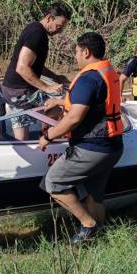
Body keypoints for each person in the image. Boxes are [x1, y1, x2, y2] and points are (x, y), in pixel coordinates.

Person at [39, 32, 124, 243]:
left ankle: (88, 225)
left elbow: (75, 117)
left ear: (86, 52)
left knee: (54, 182)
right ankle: (99, 236)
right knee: (95, 194)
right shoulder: (106, 71)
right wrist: (61, 102)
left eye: (76, 52)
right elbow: (93, 103)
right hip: (112, 145)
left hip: (91, 147)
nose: (75, 57)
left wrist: (48, 136)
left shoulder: (88, 78)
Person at [1, 3, 72, 140]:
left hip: (12, 89)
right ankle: (52, 141)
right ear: (49, 18)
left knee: (21, 128)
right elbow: (22, 68)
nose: (60, 30)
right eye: (59, 26)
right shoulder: (37, 34)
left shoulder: (35, 29)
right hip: (20, 91)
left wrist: (55, 76)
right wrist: (47, 88)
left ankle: (24, 147)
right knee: (60, 109)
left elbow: (33, 65)